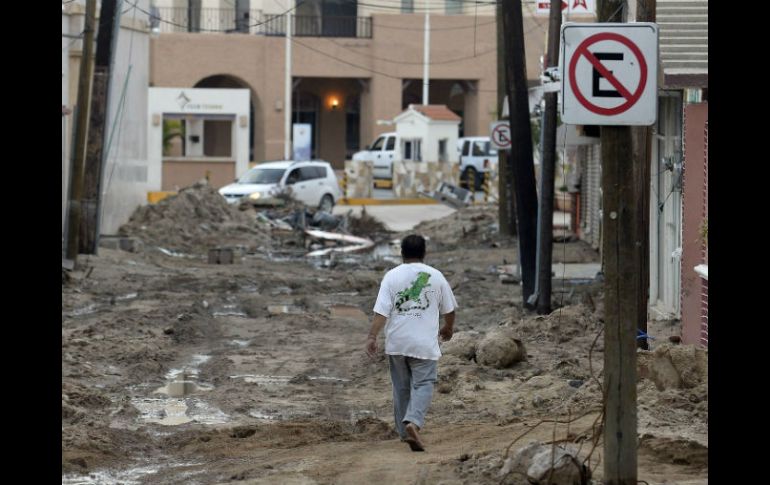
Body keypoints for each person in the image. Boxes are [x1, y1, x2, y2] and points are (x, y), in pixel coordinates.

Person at [365, 234, 457, 452]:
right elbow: (450, 310)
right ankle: (413, 423)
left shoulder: (391, 276)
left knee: (401, 388)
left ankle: (402, 431)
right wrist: (448, 328)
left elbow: (381, 312)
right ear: (424, 253)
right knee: (423, 383)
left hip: (397, 343)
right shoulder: (436, 276)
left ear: (402, 253)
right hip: (424, 344)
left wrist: (372, 336)